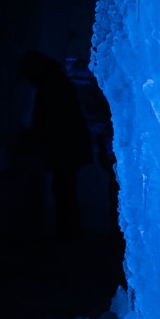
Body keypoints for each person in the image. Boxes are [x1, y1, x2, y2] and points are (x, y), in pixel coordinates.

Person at [18, 50, 94, 241]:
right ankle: (69, 232)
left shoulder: (51, 84)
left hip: (66, 147)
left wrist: (37, 140)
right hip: (68, 146)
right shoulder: (56, 81)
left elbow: (50, 119)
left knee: (63, 188)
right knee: (64, 188)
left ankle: (68, 234)